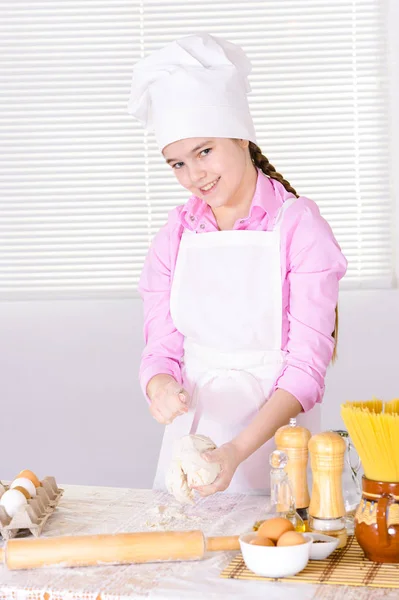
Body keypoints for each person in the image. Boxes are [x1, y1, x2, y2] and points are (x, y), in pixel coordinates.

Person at [127, 32, 347, 497]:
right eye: (177, 164)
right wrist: (160, 386)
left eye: (204, 151)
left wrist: (235, 451)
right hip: (192, 446)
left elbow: (307, 367)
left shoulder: (298, 226)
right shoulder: (176, 233)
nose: (194, 176)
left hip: (275, 443)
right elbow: (161, 345)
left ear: (242, 138)